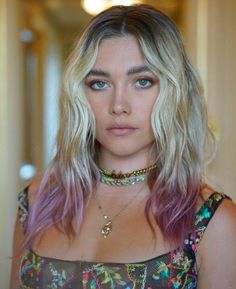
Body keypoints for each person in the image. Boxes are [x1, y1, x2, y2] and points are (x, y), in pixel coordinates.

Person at [10, 4, 236, 289]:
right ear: (79, 93)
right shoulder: (36, 203)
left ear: (173, 91)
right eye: (99, 83)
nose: (118, 106)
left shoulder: (213, 222)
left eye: (142, 81)